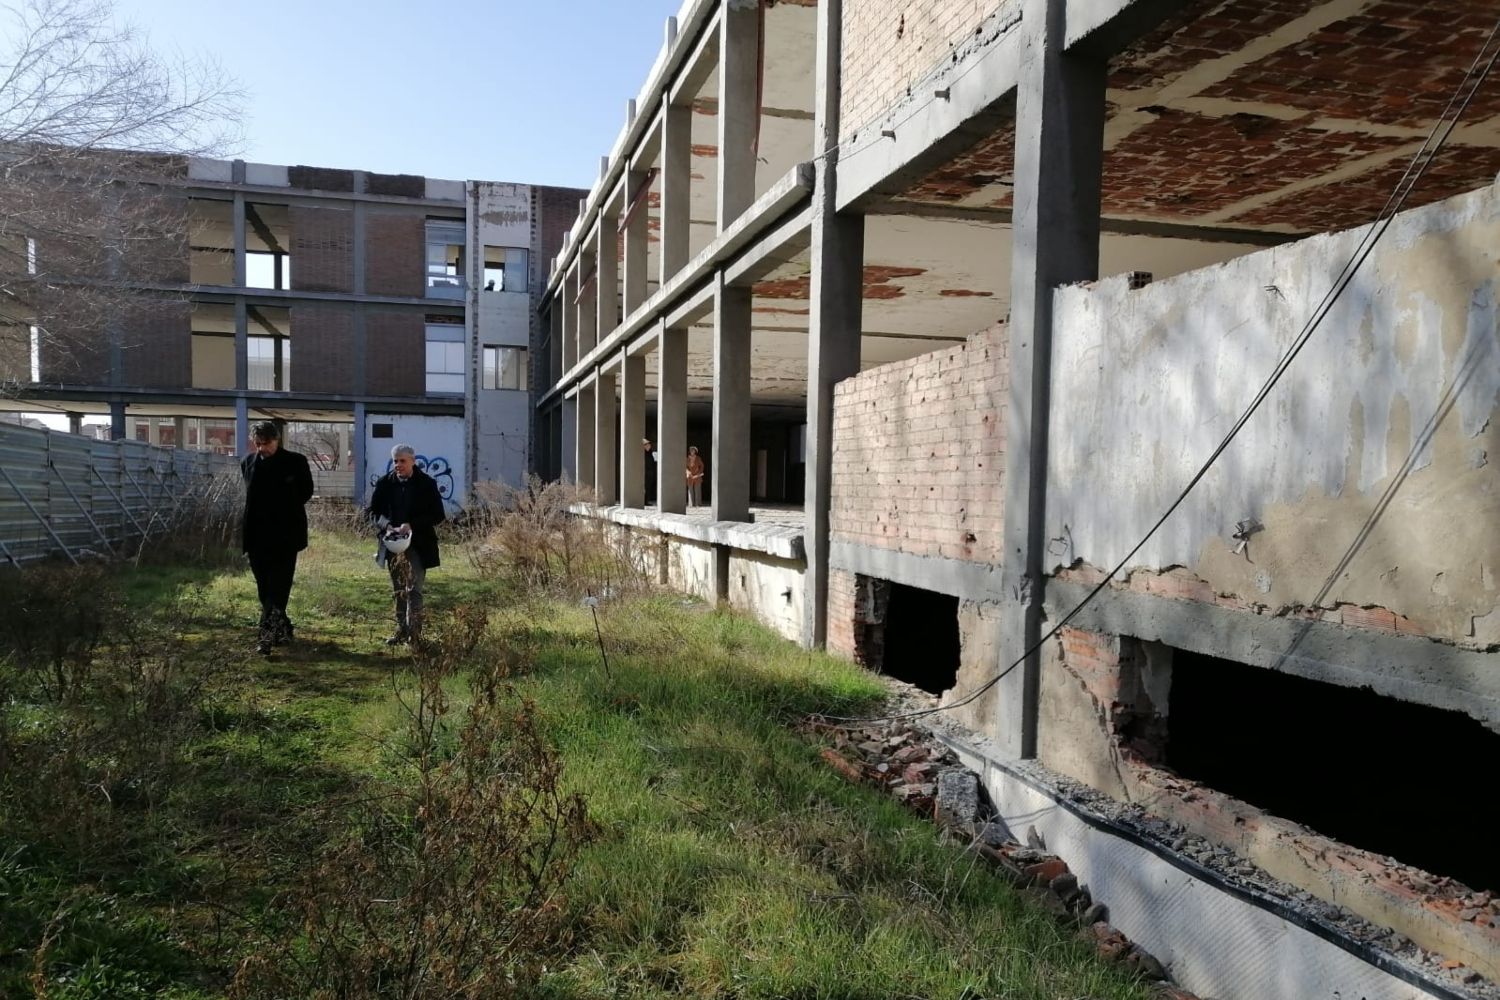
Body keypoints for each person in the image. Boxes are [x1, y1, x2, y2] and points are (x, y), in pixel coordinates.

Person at [240, 420, 314, 655]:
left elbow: (306, 491)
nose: (262, 448)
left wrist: (283, 504)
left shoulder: (295, 462)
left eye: (267, 443)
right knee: (264, 589)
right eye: (258, 443)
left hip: (285, 536)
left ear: (277, 440)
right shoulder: (248, 463)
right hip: (256, 537)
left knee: (278, 588)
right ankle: (284, 628)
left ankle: (266, 636)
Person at [366, 443, 446, 647]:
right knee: (398, 589)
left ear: (413, 461)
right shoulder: (385, 483)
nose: (398, 465)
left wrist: (412, 525)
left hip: (419, 544)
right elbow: (372, 512)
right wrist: (386, 525)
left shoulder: (426, 484)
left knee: (414, 589)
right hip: (392, 544)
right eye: (395, 461)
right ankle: (401, 631)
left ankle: (415, 636)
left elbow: (438, 515)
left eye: (402, 461)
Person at [643, 437, 657, 506]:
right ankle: (644, 501)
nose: (649, 446)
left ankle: (646, 501)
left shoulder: (650, 453)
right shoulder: (643, 454)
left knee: (648, 487)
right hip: (645, 473)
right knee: (645, 487)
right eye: (647, 445)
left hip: (650, 473)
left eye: (649, 445)